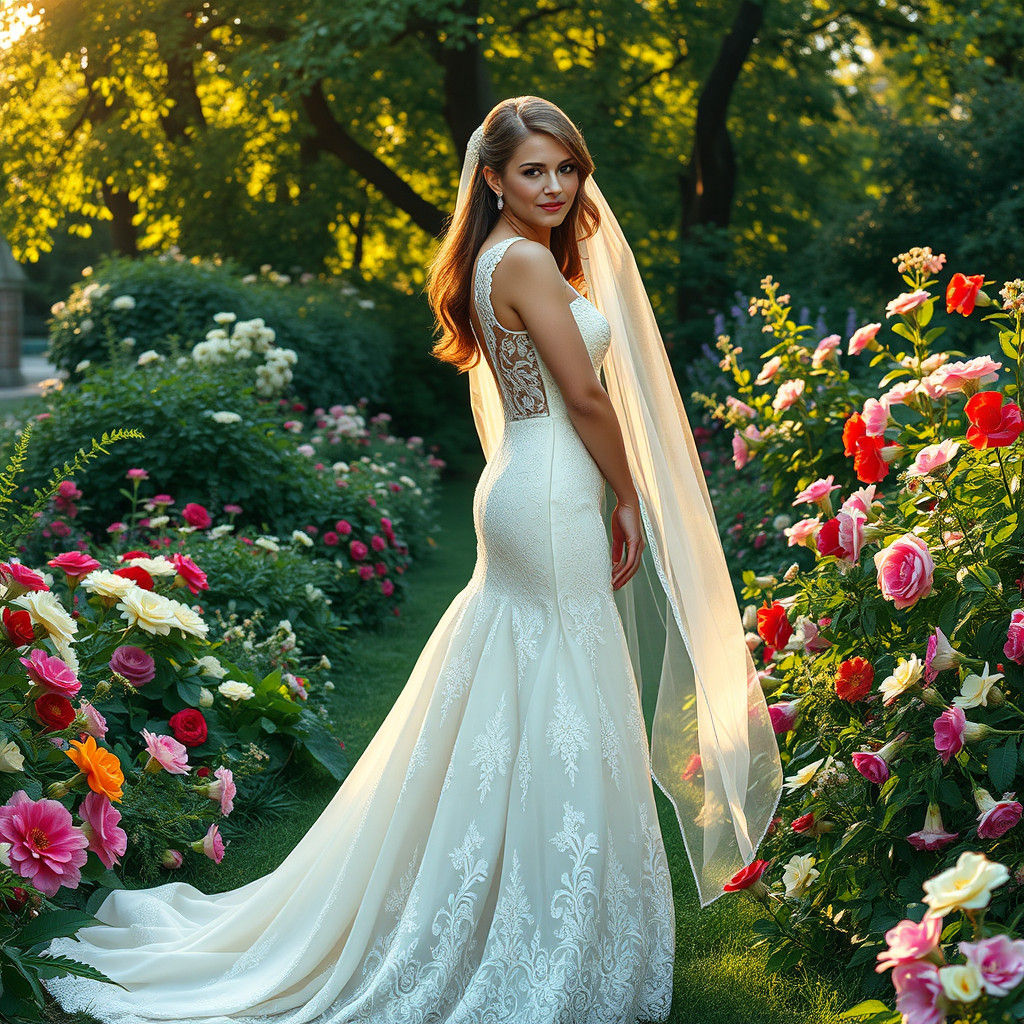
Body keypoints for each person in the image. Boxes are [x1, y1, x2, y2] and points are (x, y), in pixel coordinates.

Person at [41, 95, 780, 1024]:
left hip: (522, 484)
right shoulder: (523, 263)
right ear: (494, 180)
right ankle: (542, 927)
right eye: (532, 171)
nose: (554, 186)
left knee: (526, 684)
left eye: (567, 169)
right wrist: (631, 495)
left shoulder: (497, 258)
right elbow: (589, 400)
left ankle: (515, 903)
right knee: (566, 691)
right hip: (552, 495)